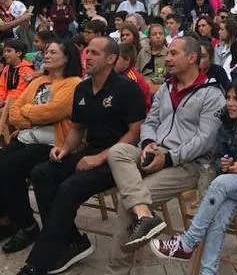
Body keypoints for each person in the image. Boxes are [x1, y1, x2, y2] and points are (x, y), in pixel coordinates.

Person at [15, 37, 145, 275]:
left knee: (69, 187)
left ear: (111, 58)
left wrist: (100, 158)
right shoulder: (82, 89)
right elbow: (77, 128)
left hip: (118, 159)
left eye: (95, 53)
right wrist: (64, 149)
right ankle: (71, 241)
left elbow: (135, 133)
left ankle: (39, 262)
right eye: (87, 52)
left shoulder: (126, 89)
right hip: (88, 152)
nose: (88, 57)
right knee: (41, 173)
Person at [104, 36, 225, 275]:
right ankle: (146, 215)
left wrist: (168, 158)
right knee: (118, 151)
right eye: (167, 53)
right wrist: (148, 143)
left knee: (129, 202)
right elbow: (151, 120)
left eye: (173, 53)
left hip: (188, 165)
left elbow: (205, 140)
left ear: (192, 57)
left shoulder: (212, 94)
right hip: (154, 152)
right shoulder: (167, 88)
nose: (167, 59)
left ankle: (116, 270)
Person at [150, 77, 237, 274]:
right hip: (232, 185)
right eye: (228, 97)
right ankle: (208, 271)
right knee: (218, 218)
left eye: (236, 99)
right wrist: (223, 163)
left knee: (221, 183)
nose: (230, 103)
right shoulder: (227, 125)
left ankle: (187, 242)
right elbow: (218, 157)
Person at [0, 39, 82, 254]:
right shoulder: (38, 81)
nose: (46, 55)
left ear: (66, 58)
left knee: (9, 168)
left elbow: (54, 111)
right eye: (46, 52)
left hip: (54, 142)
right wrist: (33, 116)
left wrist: (29, 114)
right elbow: (15, 111)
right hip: (28, 136)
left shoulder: (73, 83)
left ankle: (27, 226)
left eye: (53, 52)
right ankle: (7, 220)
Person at [115, 43, 151, 112]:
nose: (112, 62)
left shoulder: (132, 79)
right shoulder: (118, 74)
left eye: (116, 59)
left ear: (127, 60)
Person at [0, 39, 36, 106]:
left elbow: (22, 91)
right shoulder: (6, 68)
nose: (5, 54)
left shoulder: (27, 70)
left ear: (19, 53)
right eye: (4, 51)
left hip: (18, 103)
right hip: (5, 102)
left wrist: (6, 101)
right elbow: (1, 86)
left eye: (9, 51)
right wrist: (1, 98)